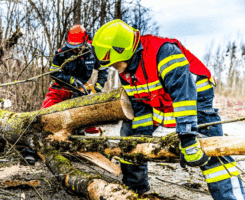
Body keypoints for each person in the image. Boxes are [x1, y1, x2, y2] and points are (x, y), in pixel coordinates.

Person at [91, 19, 245, 200]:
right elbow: (140, 107)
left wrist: (187, 138)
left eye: (114, 63)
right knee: (130, 136)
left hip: (195, 102)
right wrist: (140, 141)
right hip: (160, 102)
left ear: (122, 51)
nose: (113, 67)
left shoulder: (164, 53)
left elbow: (184, 96)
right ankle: (135, 188)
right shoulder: (127, 72)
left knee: (213, 152)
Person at [41, 24, 109, 134]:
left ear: (85, 41)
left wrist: (98, 86)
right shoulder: (61, 54)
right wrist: (69, 79)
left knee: (91, 122)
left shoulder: (91, 53)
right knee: (45, 116)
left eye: (77, 47)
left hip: (80, 91)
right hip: (60, 89)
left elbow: (104, 68)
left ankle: (92, 142)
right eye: (72, 47)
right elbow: (53, 73)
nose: (75, 50)